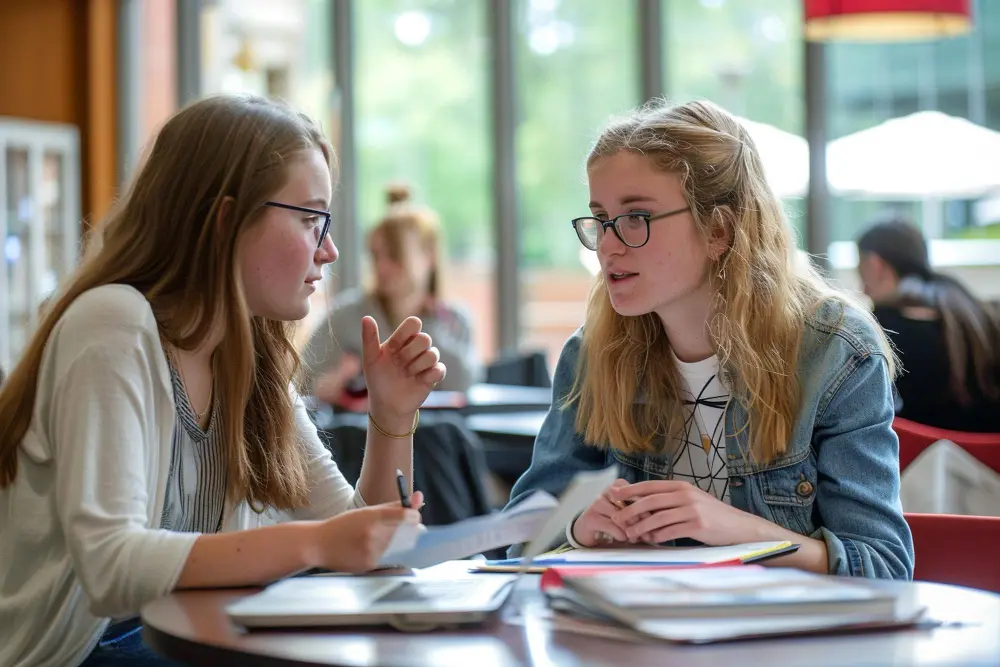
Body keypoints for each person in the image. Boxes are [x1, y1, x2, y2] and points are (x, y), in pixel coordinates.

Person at [0, 94, 446, 667]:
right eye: (311, 219)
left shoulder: (247, 361)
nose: (329, 250)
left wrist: (391, 417)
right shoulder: (113, 322)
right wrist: (314, 544)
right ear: (223, 220)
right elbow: (110, 567)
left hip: (174, 634)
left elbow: (360, 541)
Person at [505, 99, 914, 580]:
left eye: (637, 217)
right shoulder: (594, 353)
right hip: (637, 640)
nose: (609, 246)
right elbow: (519, 542)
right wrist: (577, 528)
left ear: (719, 229)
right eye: (601, 218)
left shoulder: (834, 352)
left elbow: (884, 569)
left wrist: (734, 528)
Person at [302, 184, 479, 407]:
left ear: (430, 255)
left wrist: (433, 333)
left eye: (395, 255)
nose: (382, 267)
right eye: (375, 256)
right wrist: (330, 386)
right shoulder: (345, 317)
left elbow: (466, 386)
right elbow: (301, 385)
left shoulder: (455, 320)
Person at [857, 219, 1000, 432]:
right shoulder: (972, 309)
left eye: (861, 272)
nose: (864, 291)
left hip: (919, 457)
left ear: (875, 264)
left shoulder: (882, 326)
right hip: (988, 457)